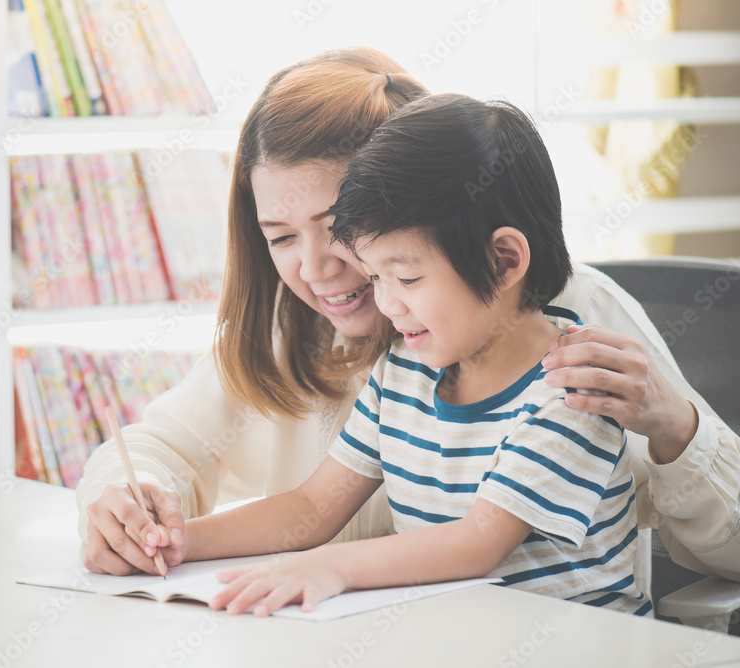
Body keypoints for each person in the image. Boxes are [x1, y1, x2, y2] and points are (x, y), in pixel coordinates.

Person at [78, 48, 740, 587]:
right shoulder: (332, 341)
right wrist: (140, 518)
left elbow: (481, 543)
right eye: (280, 236)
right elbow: (176, 455)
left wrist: (676, 427)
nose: (314, 268)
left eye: (340, 225)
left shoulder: (569, 340)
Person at [174, 93, 649, 617]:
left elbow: (476, 543)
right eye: (376, 276)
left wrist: (330, 566)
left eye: (407, 277)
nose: (386, 303)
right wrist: (179, 541)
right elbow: (312, 507)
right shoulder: (401, 371)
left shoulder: (574, 387)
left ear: (503, 260)